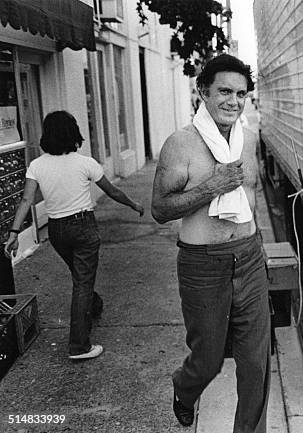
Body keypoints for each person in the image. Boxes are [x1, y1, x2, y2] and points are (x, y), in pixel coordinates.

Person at [151, 54, 269, 432]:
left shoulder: (249, 141)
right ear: (203, 91)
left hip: (249, 259)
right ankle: (185, 388)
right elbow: (159, 209)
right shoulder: (180, 145)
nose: (233, 101)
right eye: (224, 91)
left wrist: (260, 252)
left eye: (241, 94)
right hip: (204, 266)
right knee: (209, 359)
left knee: (255, 363)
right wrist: (211, 188)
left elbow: (252, 202)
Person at [4, 111, 144, 360]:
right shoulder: (85, 163)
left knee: (81, 276)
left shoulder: (37, 165)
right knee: (82, 281)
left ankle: (95, 303)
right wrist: (134, 205)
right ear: (73, 133)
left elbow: (26, 200)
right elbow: (112, 191)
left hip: (57, 231)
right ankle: (79, 346)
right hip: (82, 227)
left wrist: (14, 232)